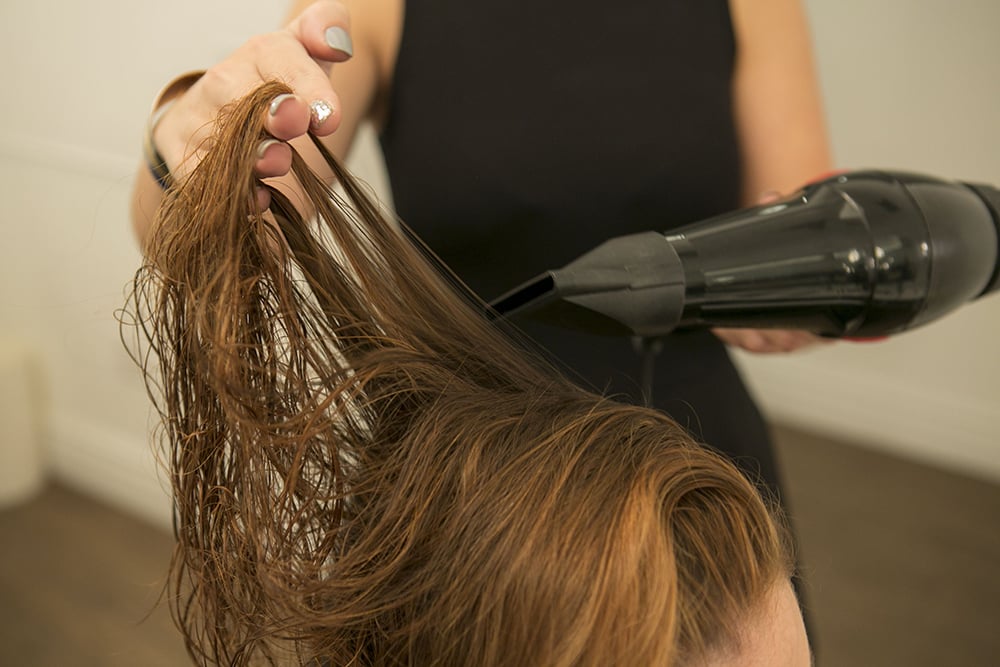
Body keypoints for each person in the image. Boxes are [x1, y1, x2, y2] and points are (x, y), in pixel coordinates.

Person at [129, 0, 831, 659]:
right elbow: (224, 229)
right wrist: (189, 151)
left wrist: (798, 292)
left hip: (690, 460)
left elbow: (808, 244)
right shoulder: (376, 9)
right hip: (476, 491)